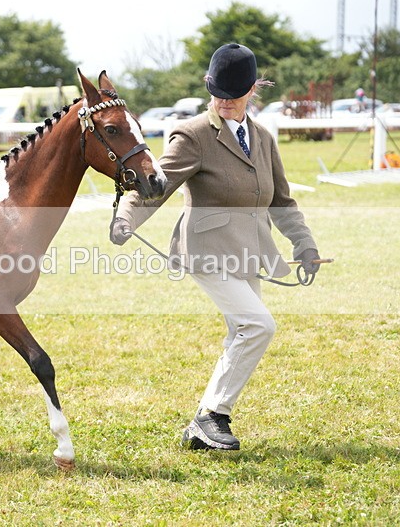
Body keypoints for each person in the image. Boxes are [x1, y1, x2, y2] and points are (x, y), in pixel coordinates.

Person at [110, 43, 321, 451]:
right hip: (206, 250)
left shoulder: (261, 137)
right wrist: (127, 216)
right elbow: (159, 184)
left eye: (234, 94)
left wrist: (305, 245)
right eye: (218, 92)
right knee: (258, 325)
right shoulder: (193, 135)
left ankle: (203, 426)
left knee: (241, 331)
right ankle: (212, 416)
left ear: (253, 90)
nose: (224, 101)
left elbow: (281, 200)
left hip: (250, 250)